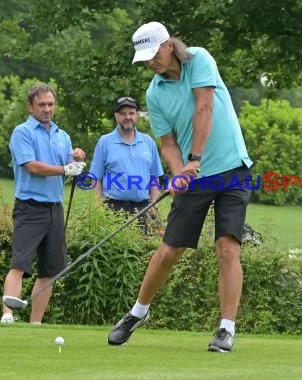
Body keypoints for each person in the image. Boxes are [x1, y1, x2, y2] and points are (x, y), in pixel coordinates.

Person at [107, 21, 253, 352]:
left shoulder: (199, 59)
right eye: (144, 58)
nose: (150, 62)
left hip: (232, 169)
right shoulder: (153, 93)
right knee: (171, 250)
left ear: (169, 45)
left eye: (153, 54)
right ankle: (137, 312)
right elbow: (168, 142)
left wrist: (195, 160)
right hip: (193, 175)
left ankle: (226, 329)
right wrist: (177, 173)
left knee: (228, 246)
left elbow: (205, 107)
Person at [1, 83, 86, 325]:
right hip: (29, 206)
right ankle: (7, 315)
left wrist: (77, 158)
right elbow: (32, 166)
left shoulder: (62, 135)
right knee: (19, 264)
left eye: (50, 104)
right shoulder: (22, 132)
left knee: (50, 271)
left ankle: (35, 324)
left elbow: (70, 164)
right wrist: (65, 168)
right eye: (42, 105)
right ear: (30, 107)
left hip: (54, 208)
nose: (47, 109)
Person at [90, 96, 164, 232]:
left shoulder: (148, 142)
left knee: (143, 251)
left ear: (137, 115)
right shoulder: (105, 142)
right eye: (123, 113)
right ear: (116, 116)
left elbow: (154, 178)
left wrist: (154, 205)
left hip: (143, 209)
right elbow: (96, 178)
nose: (127, 117)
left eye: (131, 113)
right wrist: (99, 207)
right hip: (113, 210)